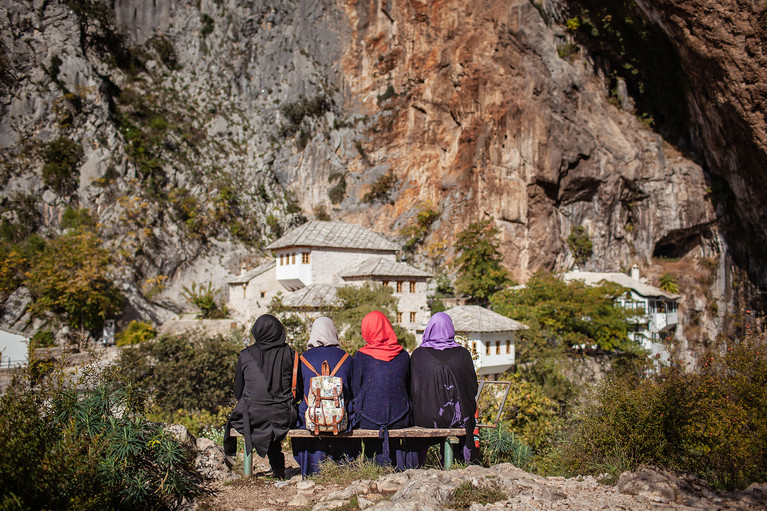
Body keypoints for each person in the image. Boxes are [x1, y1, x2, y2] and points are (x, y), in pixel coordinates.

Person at [223, 314, 297, 479]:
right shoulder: (290, 354)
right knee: (272, 415)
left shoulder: (246, 355)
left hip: (252, 415)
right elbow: (297, 388)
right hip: (284, 415)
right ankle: (278, 469)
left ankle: (249, 468)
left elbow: (238, 391)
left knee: (261, 414)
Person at [292, 317, 360, 477]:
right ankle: (344, 467)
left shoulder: (303, 359)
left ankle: (312, 468)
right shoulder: (347, 359)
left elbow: (300, 391)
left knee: (302, 412)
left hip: (312, 418)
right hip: (340, 419)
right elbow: (354, 391)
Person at [351, 310, 419, 470]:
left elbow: (356, 391)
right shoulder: (402, 355)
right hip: (400, 418)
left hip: (369, 419)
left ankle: (373, 468)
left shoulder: (361, 356)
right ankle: (398, 465)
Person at [410, 312, 479, 465]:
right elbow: (472, 389)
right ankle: (459, 461)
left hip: (425, 419)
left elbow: (413, 390)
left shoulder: (418, 355)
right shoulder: (463, 354)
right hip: (459, 418)